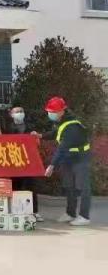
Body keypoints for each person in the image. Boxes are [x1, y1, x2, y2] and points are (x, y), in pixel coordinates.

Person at [35, 97, 92, 226]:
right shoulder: (63, 122)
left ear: (61, 111)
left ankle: (84, 216)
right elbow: (56, 133)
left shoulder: (72, 126)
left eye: (52, 111)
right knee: (69, 186)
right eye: (49, 111)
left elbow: (62, 148)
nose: (50, 114)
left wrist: (52, 165)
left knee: (83, 187)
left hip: (80, 158)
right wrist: (41, 136)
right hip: (69, 158)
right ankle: (70, 213)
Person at [6, 105, 42, 222]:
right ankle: (15, 210)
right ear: (11, 115)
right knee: (15, 186)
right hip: (14, 161)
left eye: (21, 111)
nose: (19, 113)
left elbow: (37, 143)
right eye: (17, 112)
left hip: (28, 161)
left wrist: (35, 137)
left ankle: (34, 212)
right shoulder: (7, 128)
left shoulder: (31, 127)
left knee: (31, 187)